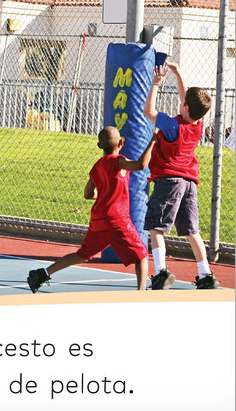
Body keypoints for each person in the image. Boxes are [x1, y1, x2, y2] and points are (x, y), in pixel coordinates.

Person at [27, 126, 156, 293]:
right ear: (121, 144)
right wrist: (152, 142)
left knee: (82, 254)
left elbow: (88, 194)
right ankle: (141, 294)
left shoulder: (97, 167)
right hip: (117, 219)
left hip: (99, 220)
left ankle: (43, 273)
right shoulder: (119, 161)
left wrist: (103, 195)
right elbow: (141, 164)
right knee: (141, 255)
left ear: (99, 146)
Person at [143, 61, 219, 290]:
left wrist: (156, 84)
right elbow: (187, 100)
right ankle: (206, 275)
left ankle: (161, 272)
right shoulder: (197, 125)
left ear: (185, 108)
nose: (181, 102)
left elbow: (149, 112)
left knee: (156, 227)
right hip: (189, 183)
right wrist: (178, 73)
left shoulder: (173, 126)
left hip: (169, 181)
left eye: (183, 103)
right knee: (192, 231)